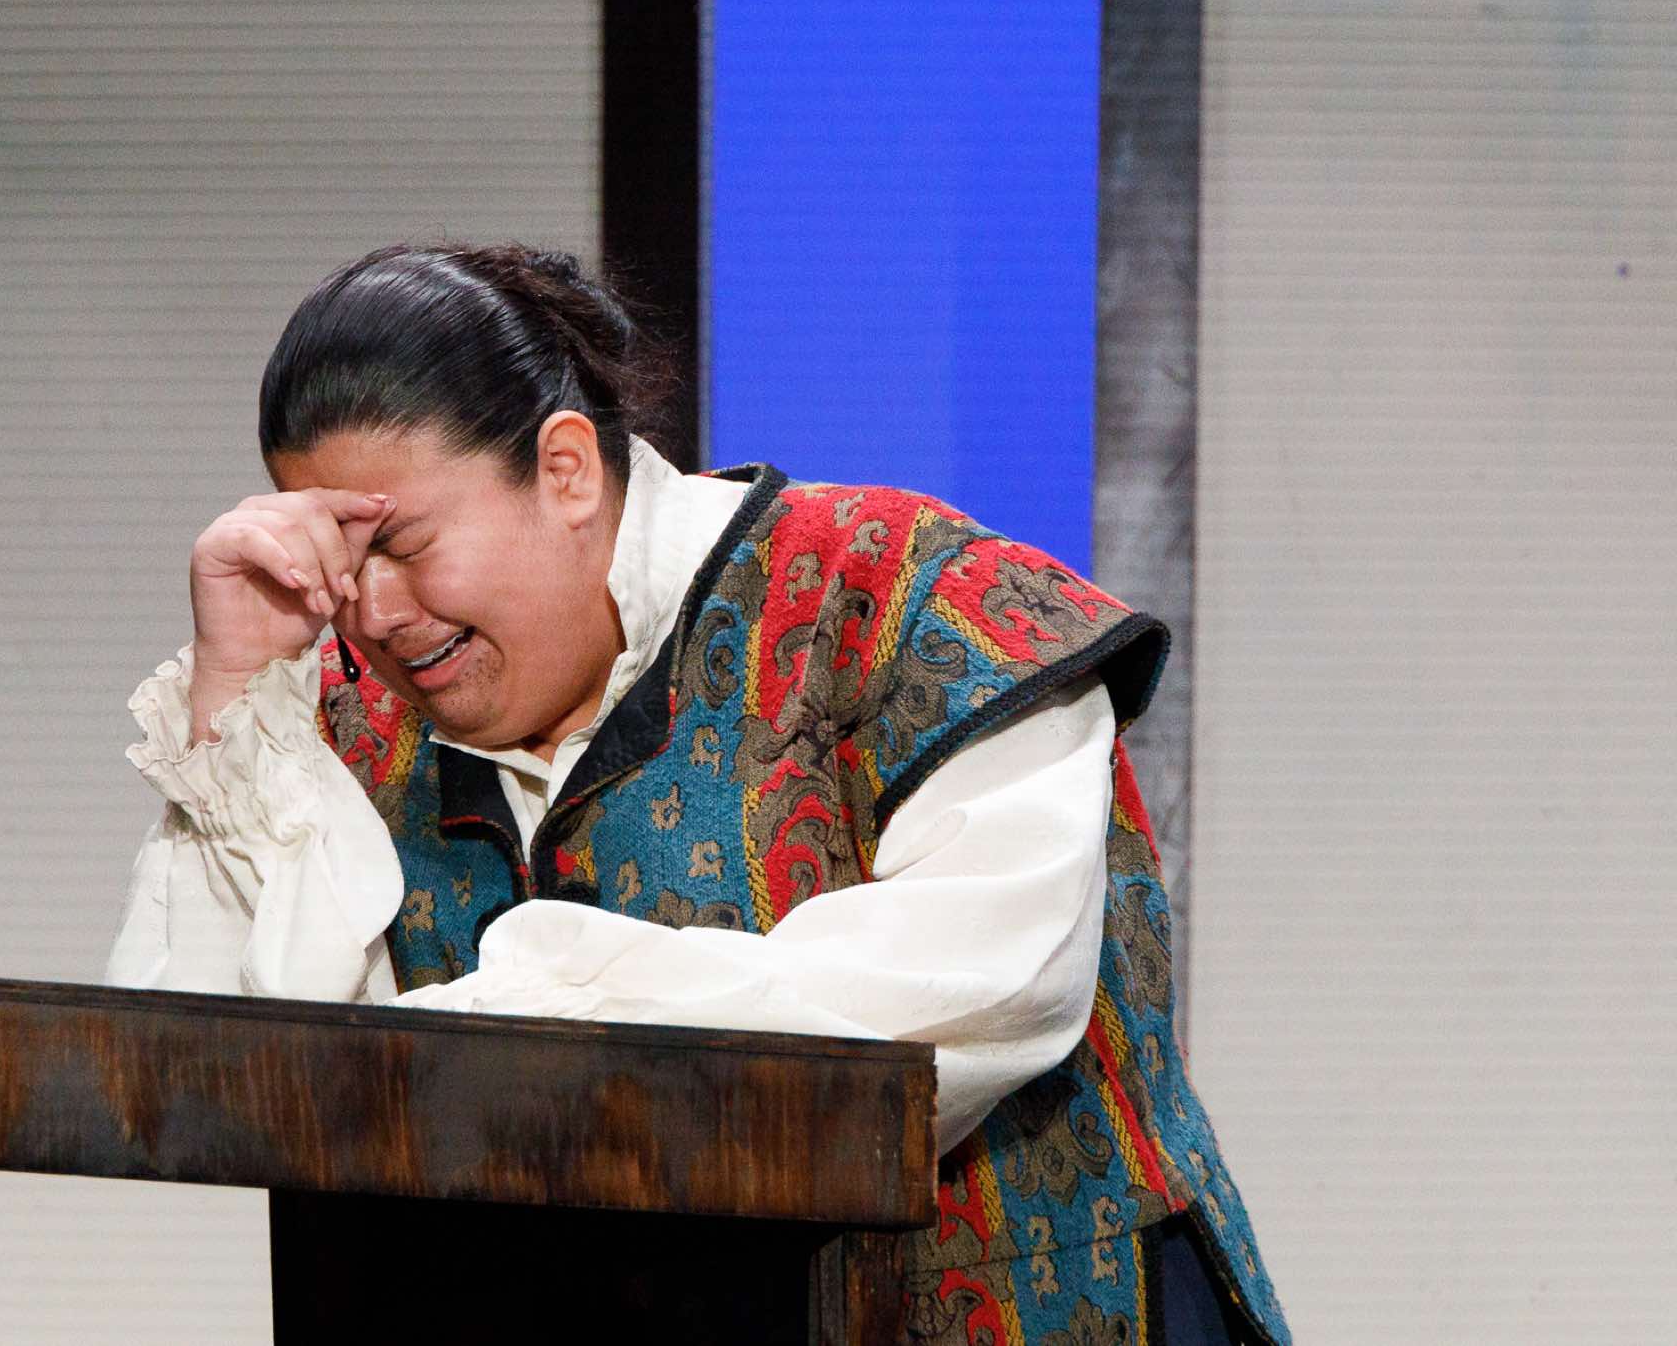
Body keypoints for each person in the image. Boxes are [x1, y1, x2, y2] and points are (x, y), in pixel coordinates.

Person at [104, 243, 1289, 1345]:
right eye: (337, 564)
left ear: (565, 469)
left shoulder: (905, 605)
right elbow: (214, 1079)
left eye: (401, 546)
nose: (371, 612)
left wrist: (527, 1009)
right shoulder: (336, 726)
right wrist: (235, 689)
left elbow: (975, 994)